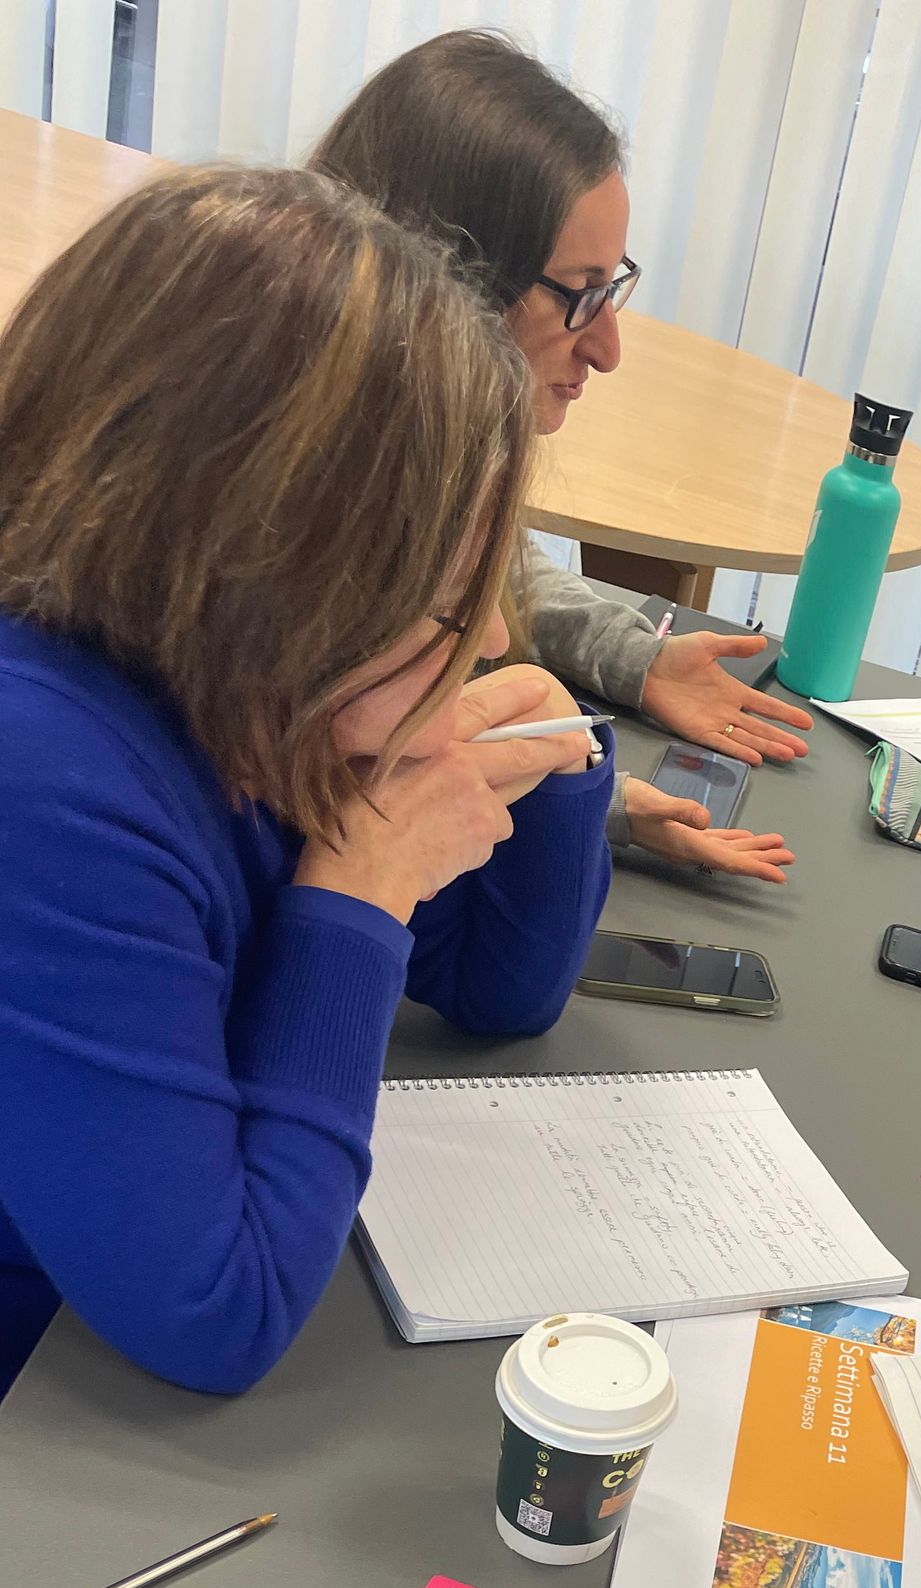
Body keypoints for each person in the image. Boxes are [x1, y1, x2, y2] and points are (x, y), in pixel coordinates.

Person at [0, 165, 615, 1399]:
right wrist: (361, 896)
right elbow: (218, 1310)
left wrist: (550, 773)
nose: (491, 640)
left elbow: (494, 993)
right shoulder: (46, 775)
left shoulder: (253, 700)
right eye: (450, 603)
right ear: (274, 585)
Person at [311, 31, 809, 888]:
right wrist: (592, 797)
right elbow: (348, 807)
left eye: (614, 286)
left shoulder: (406, 468)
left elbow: (498, 575)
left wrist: (637, 662)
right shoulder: (306, 562)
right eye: (582, 293)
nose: (609, 349)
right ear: (448, 279)